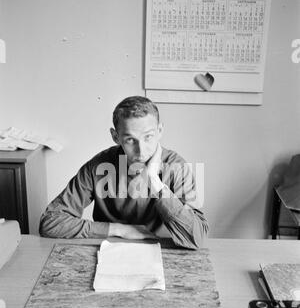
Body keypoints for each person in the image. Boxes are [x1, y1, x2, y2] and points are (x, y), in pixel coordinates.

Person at [39, 96, 208, 249]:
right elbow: (50, 222)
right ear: (115, 137)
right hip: (110, 250)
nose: (141, 150)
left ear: (160, 131)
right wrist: (119, 230)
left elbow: (196, 237)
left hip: (163, 251)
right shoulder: (98, 166)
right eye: (130, 140)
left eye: (148, 137)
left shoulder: (177, 167)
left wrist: (154, 181)